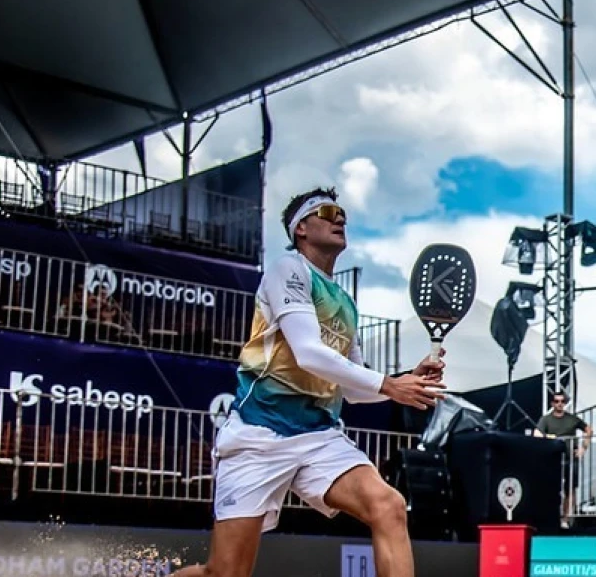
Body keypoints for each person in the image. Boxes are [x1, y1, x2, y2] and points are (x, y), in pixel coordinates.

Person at [171, 188, 447, 577]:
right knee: (223, 573)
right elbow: (308, 353)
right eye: (329, 212)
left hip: (318, 437)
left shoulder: (345, 302)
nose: (340, 218)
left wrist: (407, 381)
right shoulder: (288, 270)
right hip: (259, 434)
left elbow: (352, 390)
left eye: (343, 213)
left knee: (389, 505)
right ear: (301, 228)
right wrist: (389, 384)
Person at [533, 391, 594, 528]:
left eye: (562, 401)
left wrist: (583, 448)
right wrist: (548, 439)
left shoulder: (572, 419)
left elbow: (589, 430)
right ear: (552, 403)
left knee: (570, 488)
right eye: (557, 401)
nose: (560, 404)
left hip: (570, 458)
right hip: (552, 458)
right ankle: (550, 517)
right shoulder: (546, 419)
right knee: (550, 488)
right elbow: (536, 434)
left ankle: (565, 519)